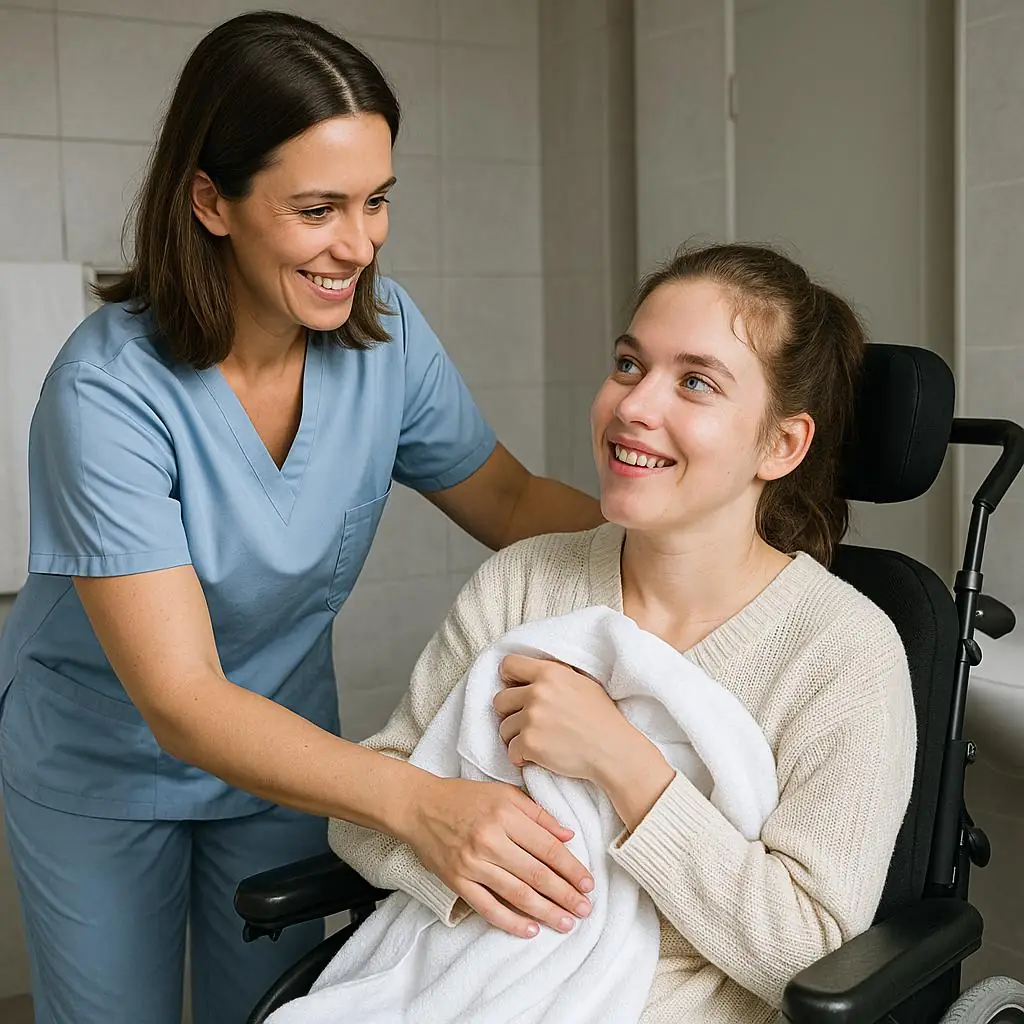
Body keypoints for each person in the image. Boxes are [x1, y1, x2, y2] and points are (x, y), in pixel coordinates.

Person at [0, 12, 603, 1024]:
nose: (357, 245)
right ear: (211, 200)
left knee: (273, 1011)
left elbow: (507, 500)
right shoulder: (107, 393)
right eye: (318, 208)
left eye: (376, 201)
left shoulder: (386, 340)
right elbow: (183, 698)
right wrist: (419, 804)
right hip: (103, 761)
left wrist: (693, 550)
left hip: (284, 755)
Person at [327, 243, 918, 1022]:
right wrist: (467, 866)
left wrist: (622, 763)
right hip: (466, 984)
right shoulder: (524, 582)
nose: (634, 407)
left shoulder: (845, 652)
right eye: (630, 365)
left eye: (696, 382)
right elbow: (364, 809)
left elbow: (810, 955)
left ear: (781, 444)